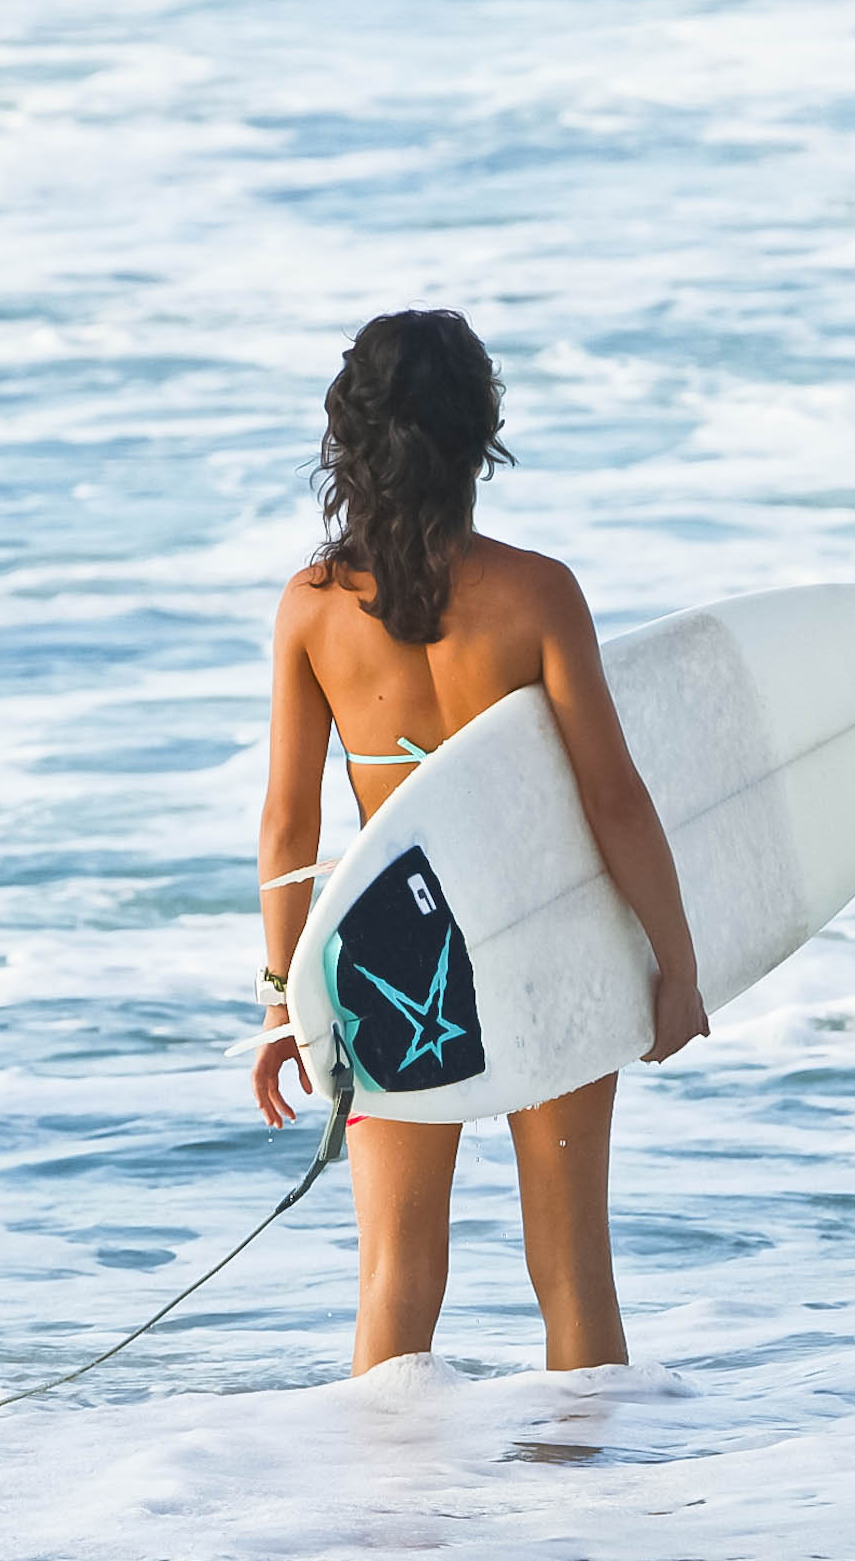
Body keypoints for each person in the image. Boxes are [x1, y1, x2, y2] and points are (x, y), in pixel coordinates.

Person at [249, 309, 708, 1377]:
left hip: (391, 959)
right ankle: (586, 1515)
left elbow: (288, 827)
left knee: (396, 1277)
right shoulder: (538, 594)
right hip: (544, 934)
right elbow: (615, 800)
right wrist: (675, 964)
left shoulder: (311, 609)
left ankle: (388, 1526)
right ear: (478, 438)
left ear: (348, 442)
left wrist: (285, 1000)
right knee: (574, 1270)